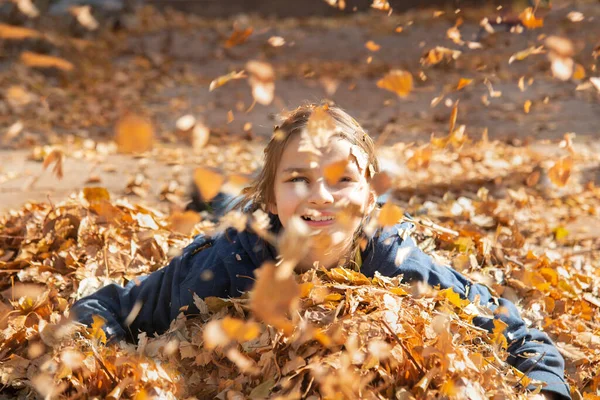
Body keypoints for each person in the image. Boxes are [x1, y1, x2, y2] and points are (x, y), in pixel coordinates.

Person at [71, 104, 570, 400]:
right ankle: (213, 191)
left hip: (360, 222)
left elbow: (520, 334)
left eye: (342, 179)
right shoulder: (226, 266)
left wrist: (544, 391)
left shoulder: (398, 267)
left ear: (368, 193)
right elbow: (107, 307)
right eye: (298, 178)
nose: (321, 193)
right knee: (225, 211)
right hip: (251, 226)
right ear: (273, 193)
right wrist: (122, 374)